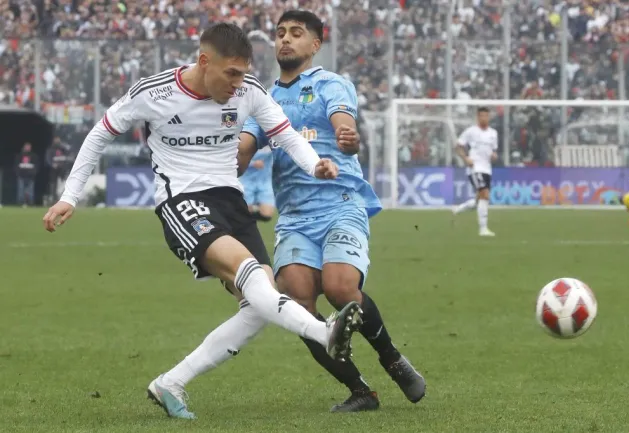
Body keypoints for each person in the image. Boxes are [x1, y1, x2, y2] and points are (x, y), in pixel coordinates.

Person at [41, 23, 362, 420]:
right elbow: (99, 134)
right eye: (230, 73)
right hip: (182, 201)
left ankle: (170, 382)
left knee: (258, 306)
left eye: (243, 73)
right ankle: (324, 332)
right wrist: (70, 196)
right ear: (204, 61)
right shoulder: (155, 92)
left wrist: (316, 166)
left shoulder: (249, 92)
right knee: (251, 276)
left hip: (231, 201)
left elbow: (286, 135)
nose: (237, 83)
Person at [237, 10, 426, 412]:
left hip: (339, 203)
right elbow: (242, 152)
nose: (285, 40)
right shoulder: (263, 99)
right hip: (294, 216)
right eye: (280, 33)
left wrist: (348, 137)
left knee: (341, 289)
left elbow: (345, 127)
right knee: (297, 304)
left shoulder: (330, 83)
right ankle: (361, 391)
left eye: (296, 33)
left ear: (315, 45)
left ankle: (391, 358)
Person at [452, 107, 498, 236]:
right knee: (485, 194)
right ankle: (483, 229)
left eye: (486, 116)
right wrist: (466, 158)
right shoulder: (471, 131)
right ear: (477, 117)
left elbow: (494, 151)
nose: (484, 118)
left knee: (478, 200)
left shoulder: (493, 133)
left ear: (488, 117)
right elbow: (458, 146)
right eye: (481, 116)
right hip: (475, 168)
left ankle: (458, 209)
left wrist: (494, 156)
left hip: (487, 169)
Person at [240, 146, 275, 221]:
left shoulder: (271, 142)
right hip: (246, 181)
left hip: (264, 182)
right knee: (244, 212)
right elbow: (236, 160)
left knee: (267, 215)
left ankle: (254, 207)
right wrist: (252, 163)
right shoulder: (247, 142)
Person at [15, 142, 39, 206]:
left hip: (30, 176)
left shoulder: (34, 156)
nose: (28, 148)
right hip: (21, 176)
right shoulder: (19, 156)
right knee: (21, 190)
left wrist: (33, 174)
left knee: (30, 191)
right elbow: (16, 166)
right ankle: (20, 203)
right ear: (24, 147)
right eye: (27, 147)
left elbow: (36, 166)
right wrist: (18, 174)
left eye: (29, 147)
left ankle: (30, 203)